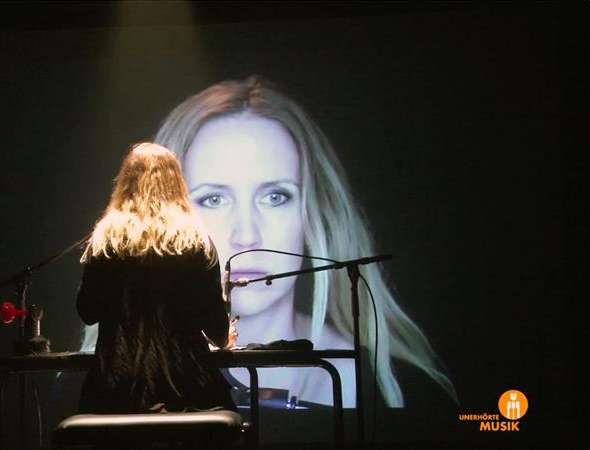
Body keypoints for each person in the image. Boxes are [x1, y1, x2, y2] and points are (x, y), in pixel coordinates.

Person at [140, 75, 459, 410]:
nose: (247, 235)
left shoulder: (404, 390)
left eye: (275, 197)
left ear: (313, 212)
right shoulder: (132, 383)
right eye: (213, 199)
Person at [75, 142, 237, 415]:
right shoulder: (195, 241)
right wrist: (225, 336)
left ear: (125, 185)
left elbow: (87, 312)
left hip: (117, 390)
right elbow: (217, 332)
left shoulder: (106, 241)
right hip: (188, 388)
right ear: (177, 184)